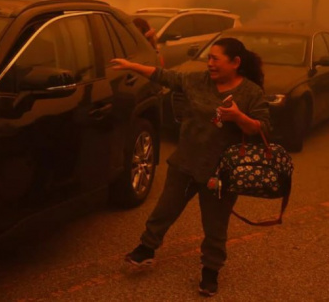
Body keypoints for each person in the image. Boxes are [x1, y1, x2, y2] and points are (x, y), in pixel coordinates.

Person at [111, 37, 271, 297]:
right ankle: (146, 249)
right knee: (165, 209)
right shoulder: (196, 81)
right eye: (209, 58)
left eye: (216, 59)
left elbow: (262, 128)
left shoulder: (251, 92)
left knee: (215, 225)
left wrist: (238, 117)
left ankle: (210, 271)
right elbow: (164, 76)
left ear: (235, 63)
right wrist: (132, 66)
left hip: (221, 173)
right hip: (185, 163)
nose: (210, 63)